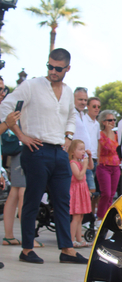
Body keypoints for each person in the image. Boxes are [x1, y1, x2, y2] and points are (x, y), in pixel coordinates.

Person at [0, 48, 88, 264]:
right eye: (50, 66)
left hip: (59, 151)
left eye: (58, 68)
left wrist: (68, 137)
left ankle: (67, 249)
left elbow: (70, 116)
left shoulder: (68, 91)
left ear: (68, 68)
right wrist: (21, 136)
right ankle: (27, 249)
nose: (53, 71)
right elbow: (6, 108)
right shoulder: (32, 85)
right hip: (35, 150)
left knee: (63, 201)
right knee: (32, 200)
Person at [1, 112, 24, 260]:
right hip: (22, 152)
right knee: (22, 192)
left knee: (15, 192)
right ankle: (28, 237)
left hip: (15, 154)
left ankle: (9, 235)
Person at [95, 110, 120, 225]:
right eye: (110, 120)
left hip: (116, 166)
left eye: (114, 120)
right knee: (105, 193)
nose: (113, 122)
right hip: (104, 166)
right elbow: (103, 148)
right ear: (103, 122)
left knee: (112, 194)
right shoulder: (100, 135)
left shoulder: (116, 135)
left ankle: (107, 218)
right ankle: (100, 217)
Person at [68, 139, 93, 248]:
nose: (83, 152)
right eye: (80, 149)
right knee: (76, 216)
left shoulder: (80, 162)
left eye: (83, 149)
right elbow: (79, 176)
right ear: (73, 152)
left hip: (82, 190)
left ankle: (79, 239)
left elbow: (91, 167)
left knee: (81, 216)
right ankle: (71, 239)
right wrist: (84, 165)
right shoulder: (73, 163)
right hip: (76, 191)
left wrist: (90, 158)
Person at [85, 96, 101, 213]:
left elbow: (98, 141)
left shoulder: (97, 123)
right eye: (94, 106)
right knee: (91, 190)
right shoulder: (83, 120)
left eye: (98, 107)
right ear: (88, 107)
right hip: (85, 159)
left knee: (97, 193)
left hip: (95, 160)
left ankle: (91, 216)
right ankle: (85, 216)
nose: (96, 109)